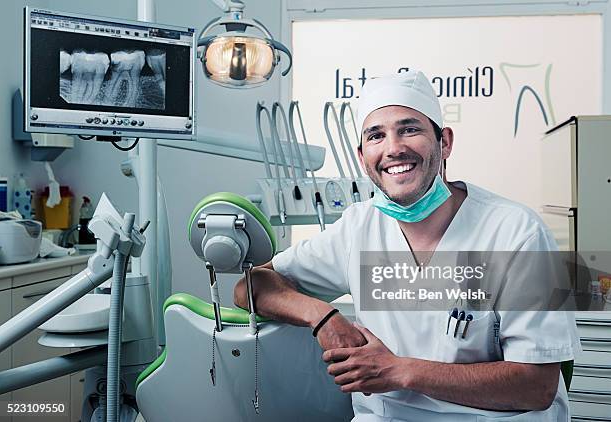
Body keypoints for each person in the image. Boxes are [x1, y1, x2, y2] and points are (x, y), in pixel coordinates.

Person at [234, 70, 581, 421]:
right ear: (362, 156)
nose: (393, 148)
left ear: (444, 142)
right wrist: (322, 316)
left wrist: (400, 371)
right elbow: (251, 286)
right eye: (376, 136)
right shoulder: (359, 227)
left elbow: (537, 386)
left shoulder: (516, 233)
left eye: (410, 129)